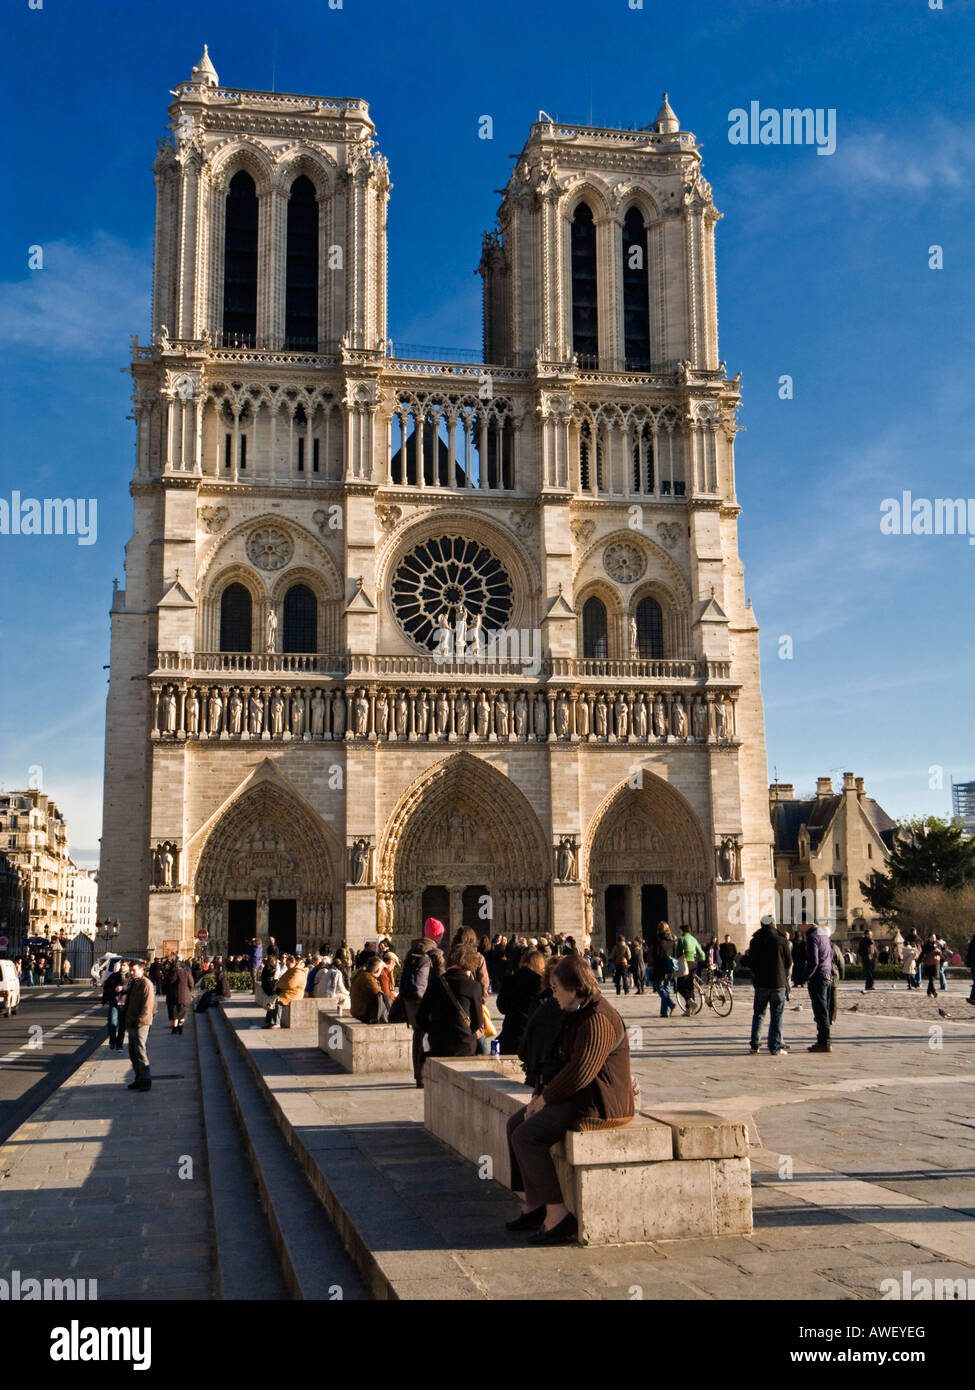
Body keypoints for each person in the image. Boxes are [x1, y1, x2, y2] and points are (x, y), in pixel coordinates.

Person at [505, 955, 634, 1246]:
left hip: (600, 1105)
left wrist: (546, 1099)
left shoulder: (598, 1018)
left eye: (556, 987)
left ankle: (558, 1215)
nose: (553, 994)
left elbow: (581, 1072)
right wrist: (541, 1093)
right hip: (580, 1097)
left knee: (527, 1135)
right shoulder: (578, 1013)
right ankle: (535, 1204)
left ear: (574, 987)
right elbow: (562, 1064)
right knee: (515, 1123)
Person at [415, 943, 484, 1061]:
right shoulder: (474, 986)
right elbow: (478, 1023)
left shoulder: (435, 983)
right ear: (470, 963)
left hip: (439, 1045)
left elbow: (421, 1018)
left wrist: (435, 1031)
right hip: (464, 1046)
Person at [743, 914, 792, 1056]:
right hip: (778, 983)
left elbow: (750, 962)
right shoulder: (781, 940)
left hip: (761, 983)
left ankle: (754, 1044)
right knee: (777, 1015)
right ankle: (775, 1046)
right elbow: (789, 962)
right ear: (773, 924)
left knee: (758, 1014)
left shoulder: (755, 941)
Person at [518, 959, 567, 1093]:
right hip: (551, 1077)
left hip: (536, 1073)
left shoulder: (540, 1002)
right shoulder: (567, 1008)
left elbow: (524, 1046)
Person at [793, 920, 834, 1052]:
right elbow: (830, 954)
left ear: (807, 923)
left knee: (820, 1010)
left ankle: (824, 1042)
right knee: (824, 1010)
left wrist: (805, 977)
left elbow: (813, 961)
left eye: (801, 924)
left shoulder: (812, 937)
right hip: (827, 974)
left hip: (818, 977)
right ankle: (824, 1040)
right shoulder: (823, 934)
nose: (800, 927)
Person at [497, 949, 545, 1055]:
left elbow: (501, 1007)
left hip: (511, 1032)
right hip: (532, 1034)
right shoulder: (541, 983)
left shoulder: (509, 980)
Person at [123, 959, 155, 1092]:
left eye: (134, 970)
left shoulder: (146, 984)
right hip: (131, 1022)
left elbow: (148, 1006)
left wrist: (140, 1021)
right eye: (130, 970)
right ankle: (138, 1078)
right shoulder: (134, 983)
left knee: (141, 1051)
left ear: (142, 970)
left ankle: (146, 1080)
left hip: (141, 1023)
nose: (131, 972)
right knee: (132, 1052)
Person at [350, 954, 392, 1023]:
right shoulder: (367, 978)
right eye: (382, 969)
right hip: (363, 1015)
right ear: (378, 969)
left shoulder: (362, 974)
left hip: (357, 1012)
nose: (382, 972)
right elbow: (381, 995)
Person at [675, 923, 705, 1012]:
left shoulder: (681, 939)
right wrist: (703, 959)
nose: (679, 932)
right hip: (692, 964)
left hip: (684, 964)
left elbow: (678, 953)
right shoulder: (694, 939)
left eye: (680, 930)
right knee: (690, 987)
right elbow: (701, 953)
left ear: (683, 931)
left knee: (680, 987)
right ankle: (689, 1010)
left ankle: (689, 1000)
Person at [650, 923, 678, 1017]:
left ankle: (670, 1003)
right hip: (669, 967)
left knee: (659, 988)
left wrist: (651, 964)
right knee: (666, 988)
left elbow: (655, 955)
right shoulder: (672, 940)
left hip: (659, 967)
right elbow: (675, 954)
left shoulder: (657, 940)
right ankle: (664, 1012)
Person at [101, 959, 129, 1051]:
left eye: (124, 965)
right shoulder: (114, 975)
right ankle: (112, 1041)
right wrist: (113, 990)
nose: (122, 967)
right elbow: (106, 987)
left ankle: (119, 1045)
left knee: (122, 1026)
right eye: (121, 965)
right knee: (112, 1023)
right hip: (114, 1003)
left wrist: (123, 988)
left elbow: (132, 988)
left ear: (128, 966)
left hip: (125, 1004)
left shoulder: (130, 977)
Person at [164, 956, 194, 1035]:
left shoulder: (170, 974)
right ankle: (180, 1026)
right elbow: (191, 984)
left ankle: (174, 1028)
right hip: (185, 997)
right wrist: (188, 991)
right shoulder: (186, 973)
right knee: (182, 1013)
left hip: (172, 997)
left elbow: (165, 985)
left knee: (175, 1014)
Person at [260, 953, 282, 1027]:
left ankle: (269, 1020)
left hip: (267, 987)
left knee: (271, 1004)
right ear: (273, 961)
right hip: (270, 987)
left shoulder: (267, 966)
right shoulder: (269, 967)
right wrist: (275, 970)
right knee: (272, 1004)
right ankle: (272, 1021)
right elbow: (271, 975)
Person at [920, 934, 942, 999]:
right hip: (928, 964)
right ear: (929, 938)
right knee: (931, 979)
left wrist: (939, 952)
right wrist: (918, 962)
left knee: (932, 979)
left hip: (935, 963)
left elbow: (941, 953)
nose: (933, 939)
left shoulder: (937, 945)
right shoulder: (926, 945)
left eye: (934, 937)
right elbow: (922, 954)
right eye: (932, 937)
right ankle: (934, 992)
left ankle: (929, 991)